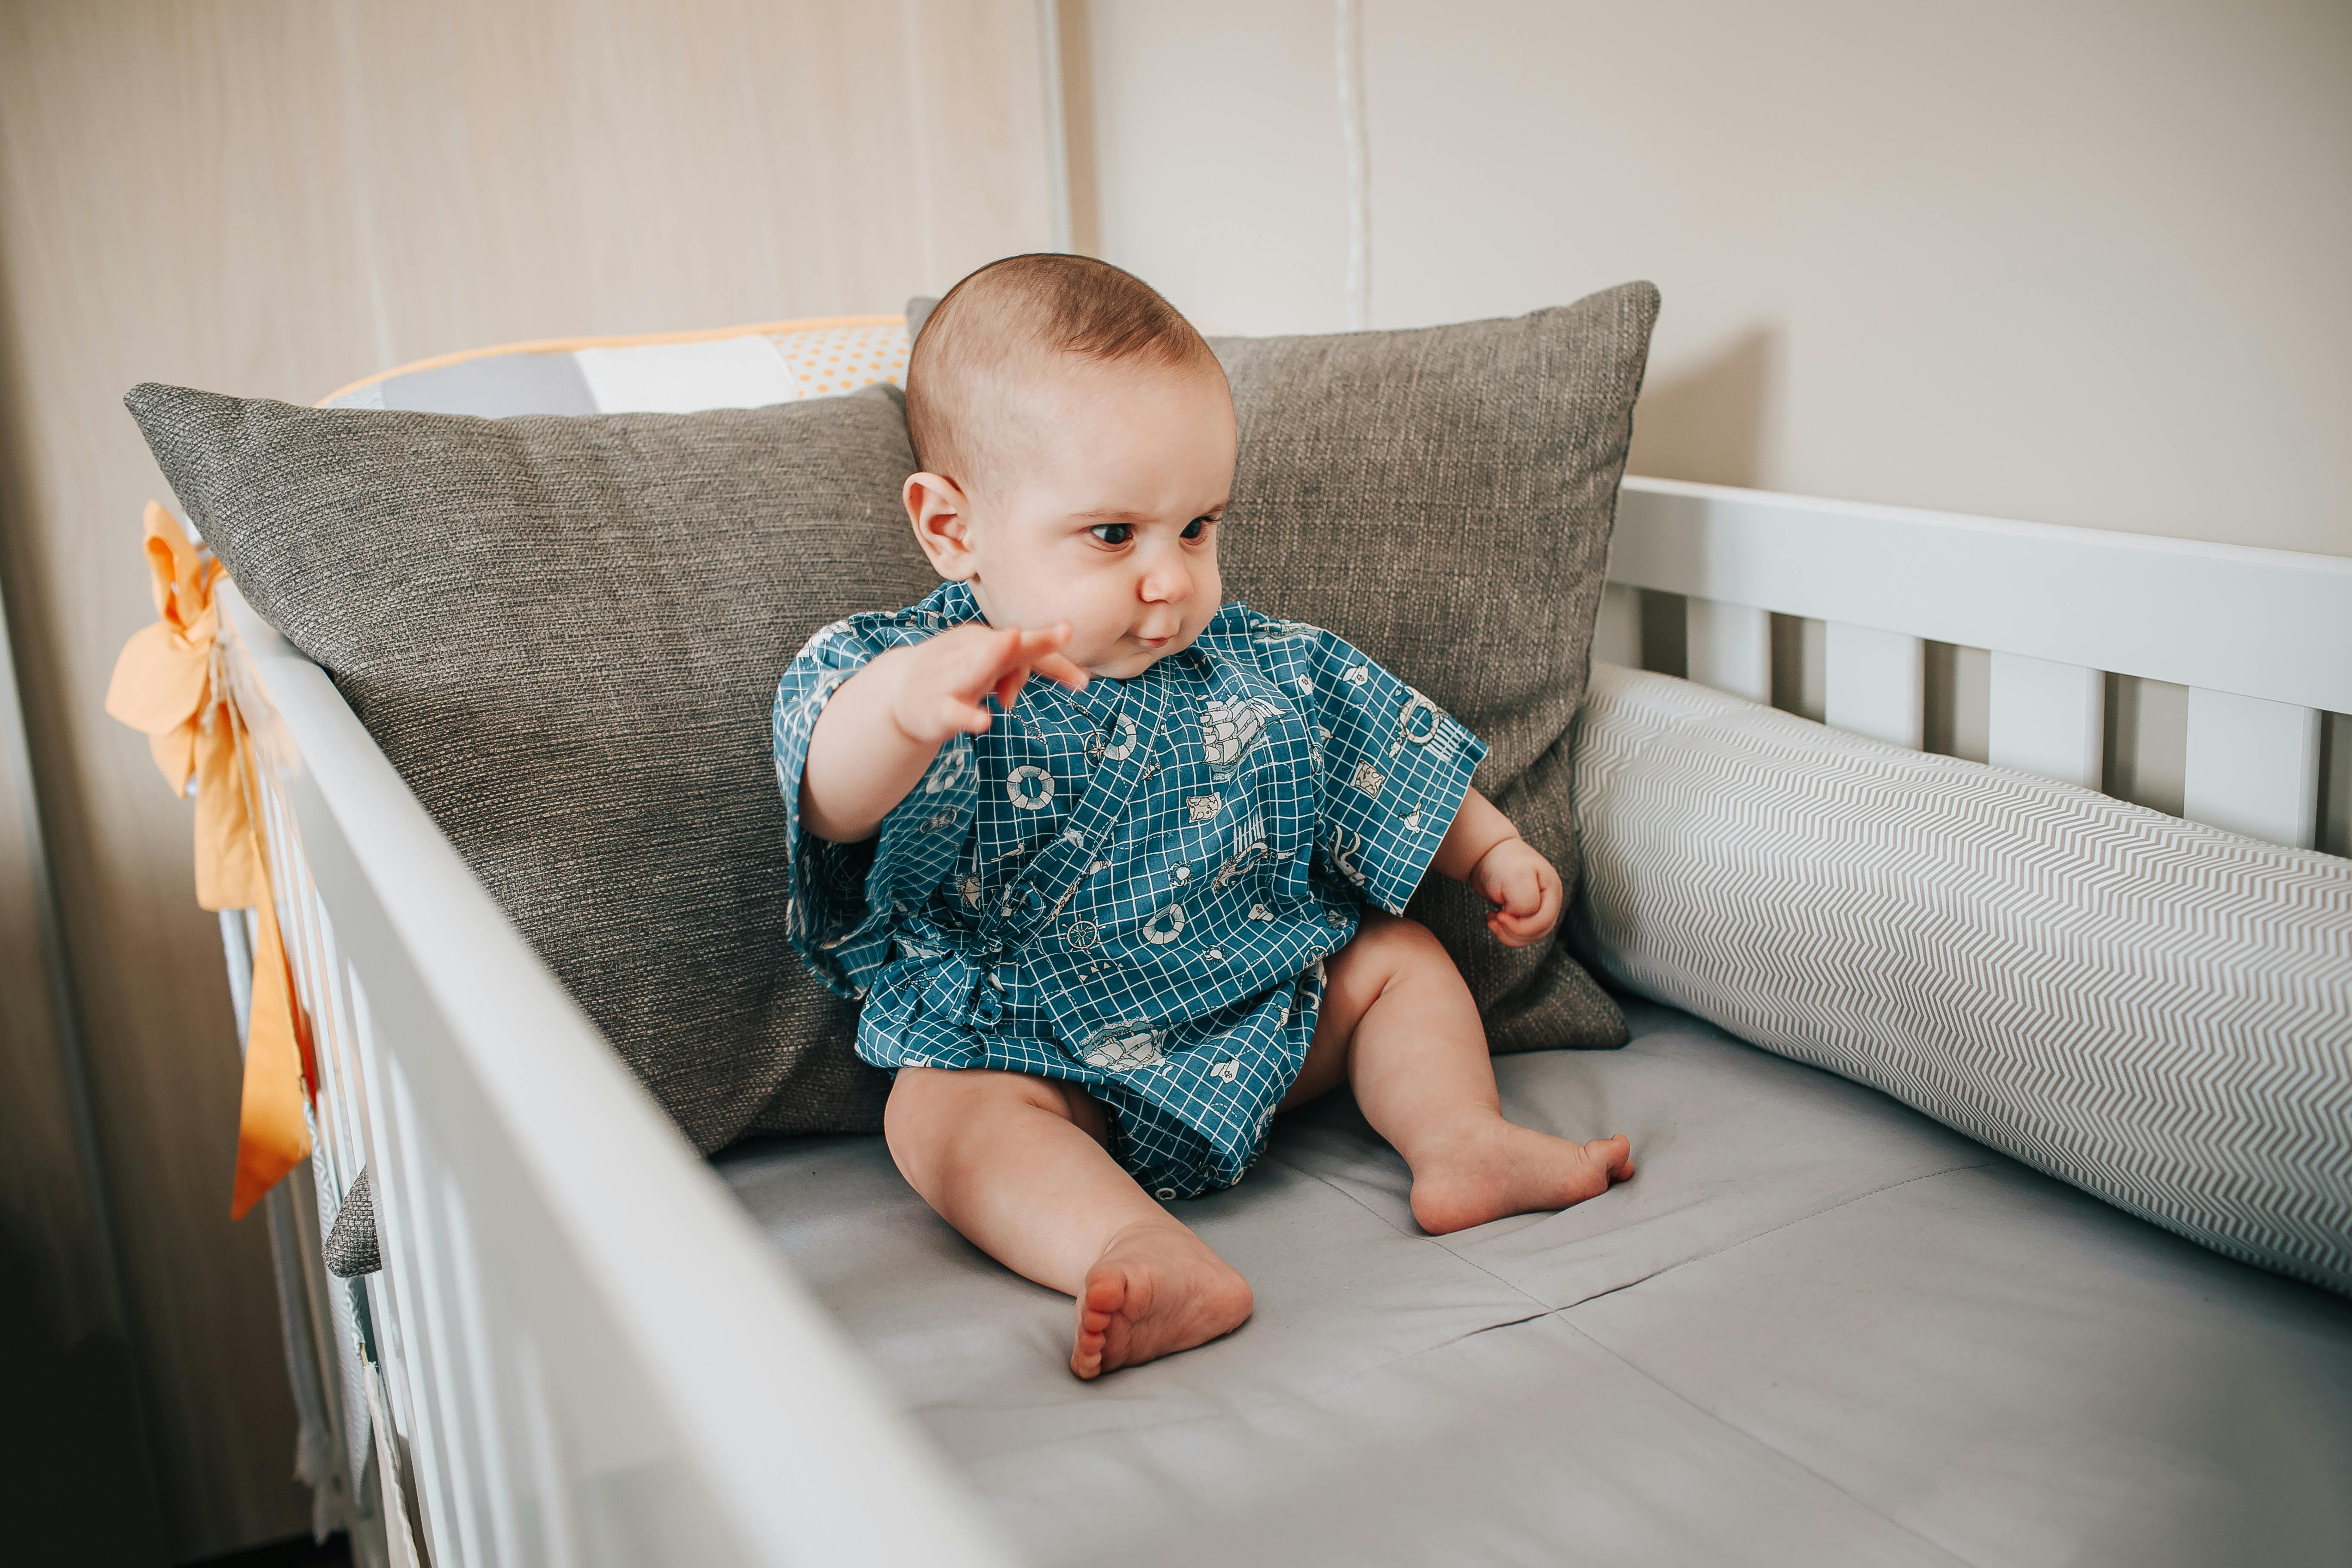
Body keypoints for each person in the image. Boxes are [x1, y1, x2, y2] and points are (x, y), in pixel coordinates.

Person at [772, 254, 1632, 1380]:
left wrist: (1494, 848)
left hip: (1263, 1013)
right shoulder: (898, 673)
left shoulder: (1265, 666)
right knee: (936, 1118)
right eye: (1112, 536)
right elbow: (832, 795)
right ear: (953, 529)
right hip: (1035, 1052)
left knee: (1402, 961)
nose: (1170, 582)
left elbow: (1383, 743)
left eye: (1197, 529)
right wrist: (907, 709)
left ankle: (1460, 1141)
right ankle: (1128, 1246)